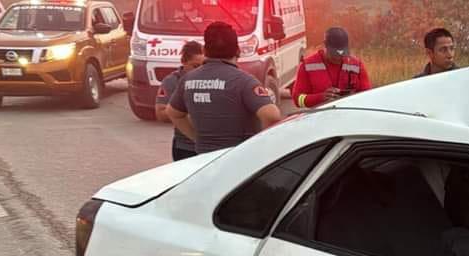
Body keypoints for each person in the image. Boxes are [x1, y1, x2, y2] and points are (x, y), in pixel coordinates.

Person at [167, 21, 283, 155]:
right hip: (239, 158)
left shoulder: (188, 80)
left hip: (205, 159)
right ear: (238, 50)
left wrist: (198, 139)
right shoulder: (244, 82)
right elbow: (272, 116)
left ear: (204, 51)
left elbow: (173, 113)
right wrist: (261, 146)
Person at [291, 27, 371, 108]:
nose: (338, 58)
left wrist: (349, 99)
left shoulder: (357, 65)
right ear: (325, 45)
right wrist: (320, 98)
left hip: (350, 116)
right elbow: (297, 100)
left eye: (342, 54)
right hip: (319, 117)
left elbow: (367, 96)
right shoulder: (307, 66)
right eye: (334, 54)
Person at [155, 41, 205, 161]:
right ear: (183, 62)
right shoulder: (172, 81)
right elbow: (160, 113)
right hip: (185, 147)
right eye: (195, 66)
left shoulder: (210, 79)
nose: (199, 70)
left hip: (209, 146)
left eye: (204, 66)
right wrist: (187, 113)